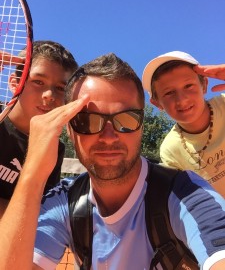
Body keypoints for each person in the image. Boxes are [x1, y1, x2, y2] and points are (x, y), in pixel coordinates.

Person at [1, 53, 225, 270]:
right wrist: (32, 175)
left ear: (142, 126)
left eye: (126, 120)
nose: (108, 137)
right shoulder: (62, 203)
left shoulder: (185, 193)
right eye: (88, 121)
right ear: (68, 128)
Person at [0, 40, 78, 216]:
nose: (49, 95)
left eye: (60, 88)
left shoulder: (54, 147)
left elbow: (41, 214)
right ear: (14, 82)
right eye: (38, 82)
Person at [142, 51, 225, 198]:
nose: (182, 100)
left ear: (204, 85)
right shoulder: (170, 150)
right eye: (169, 93)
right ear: (157, 103)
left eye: (188, 86)